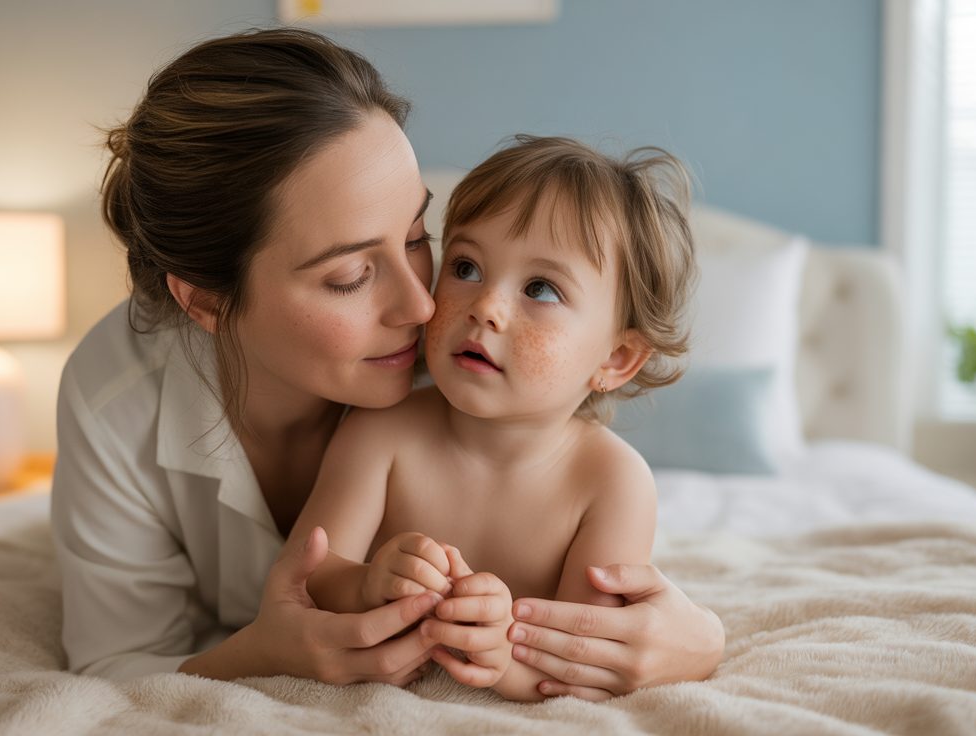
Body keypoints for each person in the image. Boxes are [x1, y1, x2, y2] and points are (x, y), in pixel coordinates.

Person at [51, 26, 725, 698]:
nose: (426, 304)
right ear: (205, 301)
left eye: (415, 238)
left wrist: (703, 638)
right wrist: (263, 649)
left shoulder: (483, 369)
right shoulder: (118, 400)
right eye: (349, 275)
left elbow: (585, 638)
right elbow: (120, 664)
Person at [288, 135, 696, 701]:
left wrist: (502, 658)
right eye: (466, 267)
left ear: (616, 358)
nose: (486, 306)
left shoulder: (611, 482)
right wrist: (368, 582)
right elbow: (305, 575)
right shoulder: (382, 431)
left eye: (541, 288)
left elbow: (582, 663)